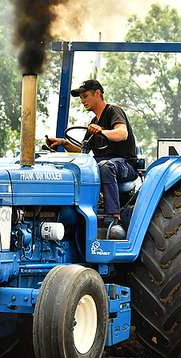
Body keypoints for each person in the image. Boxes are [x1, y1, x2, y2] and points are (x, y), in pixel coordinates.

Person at [45, 79, 138, 239]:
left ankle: (114, 220)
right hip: (103, 164)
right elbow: (83, 152)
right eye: (80, 97)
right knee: (79, 167)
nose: (82, 101)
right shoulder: (93, 124)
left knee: (105, 166)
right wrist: (63, 143)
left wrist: (101, 132)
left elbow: (122, 134)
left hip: (124, 165)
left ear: (98, 94)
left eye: (85, 96)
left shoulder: (113, 111)